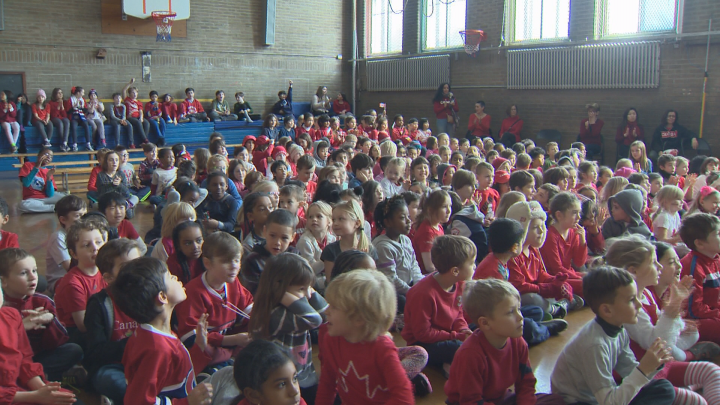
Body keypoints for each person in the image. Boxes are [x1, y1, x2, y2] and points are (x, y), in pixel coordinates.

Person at [602, 237, 720, 404]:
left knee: (712, 371)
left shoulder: (645, 294)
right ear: (633, 271)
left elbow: (665, 330)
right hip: (644, 377)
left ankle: (687, 383)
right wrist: (673, 308)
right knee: (696, 400)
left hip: (660, 367)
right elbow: (658, 344)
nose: (659, 267)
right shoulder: (627, 307)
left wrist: (674, 312)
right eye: (653, 262)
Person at [551, 266, 676, 405]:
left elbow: (629, 370)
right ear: (607, 310)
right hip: (578, 402)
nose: (639, 304)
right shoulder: (594, 345)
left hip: (600, 397)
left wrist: (654, 364)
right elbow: (609, 402)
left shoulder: (619, 329)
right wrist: (643, 369)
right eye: (631, 300)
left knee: (663, 388)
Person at [444, 278, 565, 405]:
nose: (520, 317)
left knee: (556, 401)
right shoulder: (470, 355)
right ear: (485, 323)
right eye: (510, 312)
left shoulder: (518, 342)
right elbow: (471, 401)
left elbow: (526, 383)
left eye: (519, 309)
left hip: (500, 399)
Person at [111, 257, 214, 405]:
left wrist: (199, 348)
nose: (176, 278)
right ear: (162, 297)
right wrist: (187, 402)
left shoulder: (155, 333)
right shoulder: (156, 348)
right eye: (170, 277)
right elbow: (138, 401)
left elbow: (176, 375)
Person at [316, 269, 414, 404]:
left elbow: (404, 399)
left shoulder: (382, 348)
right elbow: (327, 384)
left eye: (334, 307)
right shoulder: (331, 339)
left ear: (358, 319)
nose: (326, 311)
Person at [249, 253, 326, 403]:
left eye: (309, 288)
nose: (307, 295)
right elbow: (315, 320)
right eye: (301, 289)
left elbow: (326, 314)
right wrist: (285, 296)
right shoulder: (276, 315)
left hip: (303, 375)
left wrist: (310, 291)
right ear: (280, 288)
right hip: (286, 383)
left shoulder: (296, 309)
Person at [0, 248, 83, 383]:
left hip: (39, 358)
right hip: (11, 362)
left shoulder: (42, 301)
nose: (33, 277)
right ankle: (50, 377)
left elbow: (58, 342)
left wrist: (50, 320)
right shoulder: (2, 307)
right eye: (23, 273)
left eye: (34, 271)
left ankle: (42, 377)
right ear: (3, 281)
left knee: (74, 350)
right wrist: (20, 327)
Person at [176, 232, 252, 374]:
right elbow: (192, 338)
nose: (234, 266)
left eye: (237, 260)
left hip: (227, 348)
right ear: (207, 263)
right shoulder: (193, 292)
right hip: (205, 354)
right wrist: (232, 340)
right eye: (226, 261)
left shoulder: (233, 283)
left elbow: (248, 309)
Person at [402, 235, 474, 377]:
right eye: (471, 263)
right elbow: (423, 334)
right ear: (455, 271)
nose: (475, 266)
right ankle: (449, 363)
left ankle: (452, 361)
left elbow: (458, 314)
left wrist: (463, 329)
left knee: (480, 329)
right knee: (459, 347)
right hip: (423, 343)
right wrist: (457, 336)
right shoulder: (422, 294)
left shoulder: (459, 283)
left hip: (447, 333)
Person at [0, 281, 79, 404]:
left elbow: (25, 359)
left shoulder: (11, 315)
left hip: (22, 387)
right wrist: (35, 396)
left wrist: (42, 389)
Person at [84, 239, 141, 404]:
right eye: (126, 267)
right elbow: (95, 351)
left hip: (145, 361)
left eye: (138, 263)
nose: (136, 271)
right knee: (109, 380)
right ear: (109, 277)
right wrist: (135, 343)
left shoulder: (150, 295)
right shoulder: (99, 304)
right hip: (114, 366)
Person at [506, 201, 582, 319]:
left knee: (556, 290)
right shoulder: (512, 255)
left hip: (537, 290)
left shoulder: (533, 250)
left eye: (542, 226)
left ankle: (555, 308)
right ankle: (556, 309)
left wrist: (555, 281)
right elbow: (519, 286)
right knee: (532, 299)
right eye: (535, 227)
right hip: (522, 295)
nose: (541, 231)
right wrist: (545, 288)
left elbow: (540, 273)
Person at [54, 219, 107, 345]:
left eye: (99, 242)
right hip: (76, 334)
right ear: (73, 254)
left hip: (100, 322)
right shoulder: (73, 283)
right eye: (86, 245)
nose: (95, 248)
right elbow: (83, 326)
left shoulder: (106, 272)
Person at [373, 195, 424, 303]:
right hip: (393, 292)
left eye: (408, 216)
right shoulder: (383, 246)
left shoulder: (406, 240)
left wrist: (419, 285)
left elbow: (414, 265)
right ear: (388, 222)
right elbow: (391, 279)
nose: (408, 221)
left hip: (410, 286)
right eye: (402, 218)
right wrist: (412, 292)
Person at [680, 213, 720, 343]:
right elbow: (694, 310)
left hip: (713, 312)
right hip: (697, 320)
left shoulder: (715, 258)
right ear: (700, 243)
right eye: (718, 234)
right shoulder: (693, 267)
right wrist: (717, 313)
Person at [241, 209, 298, 295]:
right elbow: (254, 293)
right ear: (265, 231)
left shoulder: (295, 256)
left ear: (292, 237)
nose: (277, 242)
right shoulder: (253, 261)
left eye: (284, 238)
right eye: (273, 235)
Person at [540, 192, 587, 295]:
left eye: (579, 213)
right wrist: (578, 278)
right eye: (574, 213)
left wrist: (583, 241)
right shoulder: (550, 235)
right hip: (556, 278)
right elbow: (556, 269)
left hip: (569, 274)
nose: (578, 217)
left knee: (596, 277)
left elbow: (579, 263)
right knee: (588, 284)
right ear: (559, 215)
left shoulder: (573, 232)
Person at [412, 190, 451, 274]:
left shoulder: (438, 226)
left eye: (450, 206)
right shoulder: (427, 232)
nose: (448, 210)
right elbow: (430, 267)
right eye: (444, 206)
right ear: (430, 210)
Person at [18, 147, 67, 213]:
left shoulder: (48, 171)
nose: (49, 157)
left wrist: (49, 178)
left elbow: (50, 194)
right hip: (32, 199)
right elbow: (26, 184)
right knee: (23, 205)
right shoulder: (28, 165)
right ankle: (54, 208)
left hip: (47, 197)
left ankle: (50, 207)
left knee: (68, 199)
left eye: (51, 156)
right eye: (46, 154)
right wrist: (36, 167)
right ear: (39, 155)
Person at [121, 80, 150, 146]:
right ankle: (145, 139)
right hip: (130, 117)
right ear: (129, 94)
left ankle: (143, 141)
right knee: (138, 122)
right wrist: (130, 83)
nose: (135, 94)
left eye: (136, 93)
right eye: (133, 93)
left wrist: (141, 117)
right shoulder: (127, 99)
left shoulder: (138, 102)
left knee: (147, 123)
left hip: (138, 116)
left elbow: (140, 111)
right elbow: (124, 90)